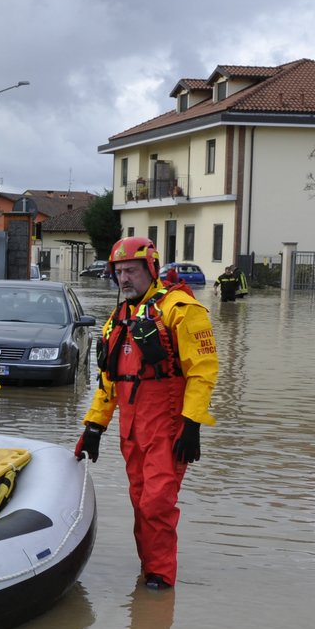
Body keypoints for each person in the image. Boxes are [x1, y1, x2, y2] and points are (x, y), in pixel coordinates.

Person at [75, 237, 218, 591]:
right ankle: (150, 568)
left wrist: (192, 424)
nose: (124, 279)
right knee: (141, 502)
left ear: (151, 269)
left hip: (167, 427)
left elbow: (203, 370)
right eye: (119, 272)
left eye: (131, 271)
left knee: (157, 502)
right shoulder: (117, 319)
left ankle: (160, 577)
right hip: (132, 429)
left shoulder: (181, 309)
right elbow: (110, 379)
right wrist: (94, 425)